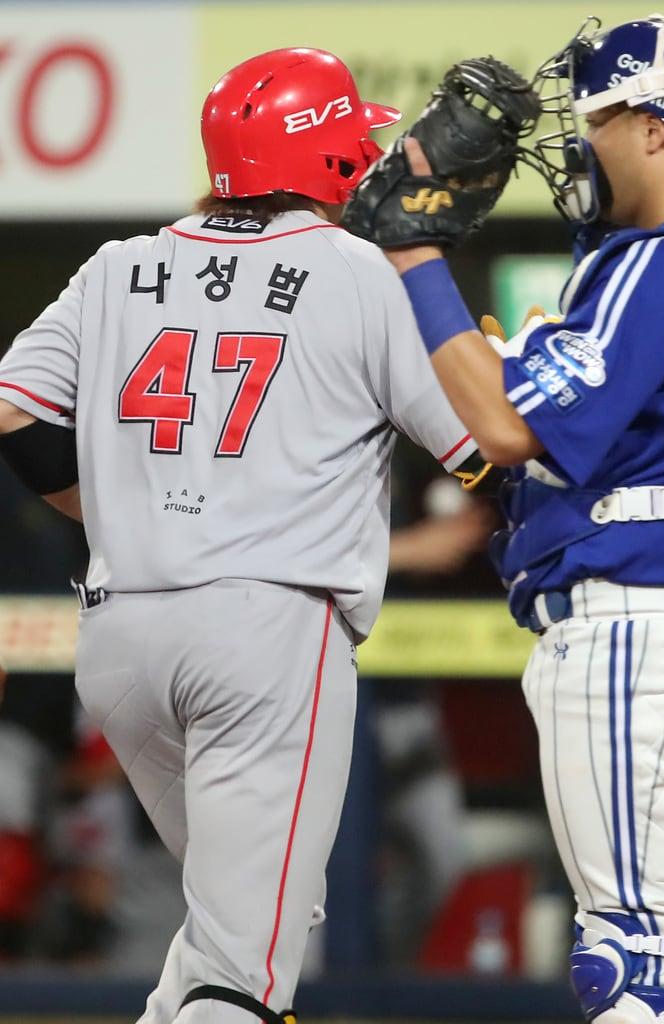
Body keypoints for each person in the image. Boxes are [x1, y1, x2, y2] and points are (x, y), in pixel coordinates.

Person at [0, 47, 486, 1023]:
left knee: (229, 930)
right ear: (330, 163)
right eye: (355, 142)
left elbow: (15, 411)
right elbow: (480, 448)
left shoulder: (119, 265)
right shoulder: (356, 272)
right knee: (245, 968)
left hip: (124, 642)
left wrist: (125, 508)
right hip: (264, 641)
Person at [345, 15, 664, 1023]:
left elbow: (502, 425)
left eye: (597, 116)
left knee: (636, 973)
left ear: (654, 127)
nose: (579, 141)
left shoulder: (659, 261)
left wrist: (414, 256)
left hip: (636, 632)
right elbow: (536, 449)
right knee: (652, 960)